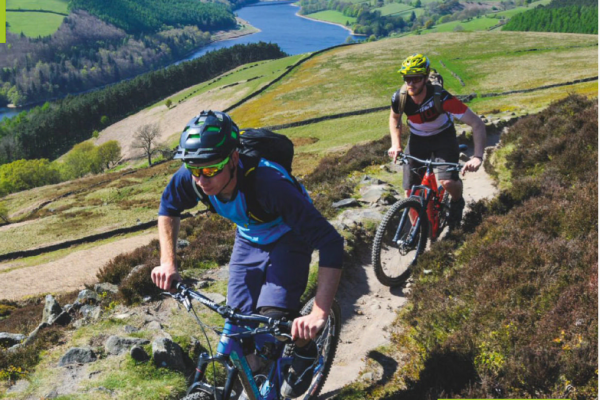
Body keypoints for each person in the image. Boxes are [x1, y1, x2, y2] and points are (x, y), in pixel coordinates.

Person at [150, 110, 344, 398]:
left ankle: (305, 351)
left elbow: (331, 243)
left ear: (234, 158)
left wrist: (319, 313)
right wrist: (168, 263)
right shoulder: (194, 177)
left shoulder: (269, 184)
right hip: (249, 236)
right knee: (237, 325)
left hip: (289, 235)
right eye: (194, 169)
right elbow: (168, 206)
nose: (201, 179)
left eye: (211, 170)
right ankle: (259, 375)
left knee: (274, 320)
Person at [387, 53, 486, 228]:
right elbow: (395, 118)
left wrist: (477, 157)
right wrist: (396, 145)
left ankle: (457, 202)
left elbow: (477, 123)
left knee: (447, 182)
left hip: (443, 137)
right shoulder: (400, 97)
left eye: (416, 78)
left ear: (426, 78)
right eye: (407, 78)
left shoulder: (442, 98)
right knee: (410, 191)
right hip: (418, 139)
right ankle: (418, 233)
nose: (410, 83)